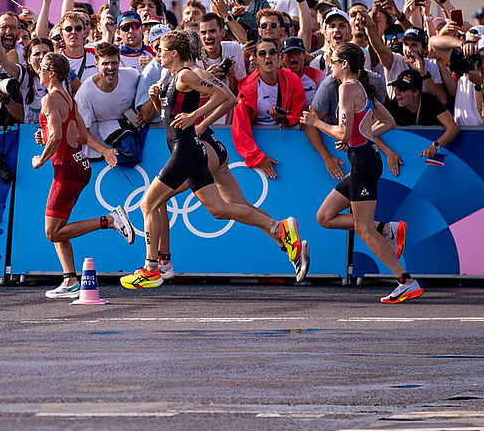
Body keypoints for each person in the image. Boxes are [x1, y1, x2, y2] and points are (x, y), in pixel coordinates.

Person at [120, 31, 309, 289]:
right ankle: (282, 232)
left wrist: (197, 119)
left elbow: (228, 98)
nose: (156, 53)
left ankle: (155, 265)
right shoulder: (170, 76)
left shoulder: (191, 73)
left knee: (150, 203)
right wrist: (156, 98)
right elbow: (169, 112)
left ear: (176, 52)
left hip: (194, 149)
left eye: (161, 48)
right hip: (194, 149)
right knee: (223, 208)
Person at [300, 42, 421, 303]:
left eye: (332, 60)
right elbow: (388, 122)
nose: (329, 65)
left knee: (363, 230)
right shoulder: (361, 87)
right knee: (324, 216)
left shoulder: (346, 88)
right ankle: (387, 228)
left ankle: (406, 280)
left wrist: (316, 122)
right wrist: (360, 135)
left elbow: (342, 132)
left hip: (364, 162)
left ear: (344, 64)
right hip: (363, 158)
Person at [33, 51, 135, 299]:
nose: (39, 71)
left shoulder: (50, 100)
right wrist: (44, 137)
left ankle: (109, 221)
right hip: (79, 164)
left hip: (66, 169)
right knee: (58, 225)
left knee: (52, 232)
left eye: (41, 68)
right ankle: (70, 280)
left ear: (51, 73)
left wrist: (40, 158)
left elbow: (58, 136)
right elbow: (78, 135)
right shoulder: (68, 97)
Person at [231, 38, 306, 179]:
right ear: (256, 59)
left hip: (288, 138)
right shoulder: (246, 89)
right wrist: (258, 158)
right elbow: (239, 129)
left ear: (278, 56)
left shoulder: (292, 79)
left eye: (272, 52)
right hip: (257, 143)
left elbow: (298, 113)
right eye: (262, 54)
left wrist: (285, 118)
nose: (268, 57)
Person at [74, 42, 139, 162]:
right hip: (96, 147)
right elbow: (81, 133)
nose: (110, 67)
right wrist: (104, 151)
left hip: (127, 136)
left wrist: (139, 113)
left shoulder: (133, 76)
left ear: (119, 62)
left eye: (114, 62)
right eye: (105, 63)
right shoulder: (85, 92)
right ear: (96, 64)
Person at [388, 69, 460, 160]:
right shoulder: (394, 105)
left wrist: (435, 146)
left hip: (430, 159)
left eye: (402, 89)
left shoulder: (430, 102)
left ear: (416, 92)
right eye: (396, 88)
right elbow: (372, 131)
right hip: (405, 158)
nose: (397, 93)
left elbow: (453, 128)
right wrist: (389, 153)